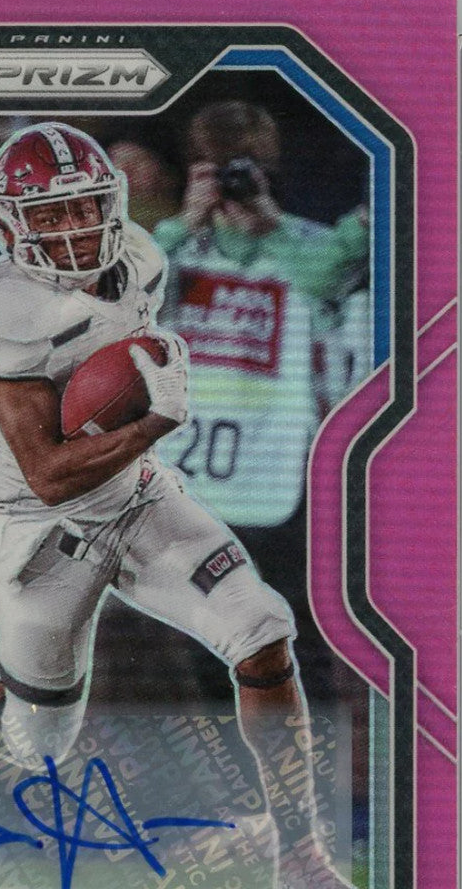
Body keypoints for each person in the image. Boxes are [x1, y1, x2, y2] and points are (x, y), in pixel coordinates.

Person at [0, 123, 365, 889]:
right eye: (49, 215)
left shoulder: (142, 255)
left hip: (138, 493)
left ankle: (301, 859)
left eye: (84, 207)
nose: (74, 229)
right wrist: (152, 421)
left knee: (262, 631)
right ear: (7, 225)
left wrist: (142, 417)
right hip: (42, 521)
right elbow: (47, 470)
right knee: (34, 739)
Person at [153, 100, 370, 694]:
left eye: (245, 169)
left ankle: (307, 752)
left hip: (280, 475)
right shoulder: (170, 250)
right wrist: (184, 222)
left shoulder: (307, 245)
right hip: (192, 481)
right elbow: (123, 296)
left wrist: (268, 225)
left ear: (269, 171)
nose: (232, 183)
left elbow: (326, 277)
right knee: (208, 638)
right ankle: (230, 754)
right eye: (217, 168)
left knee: (290, 640)